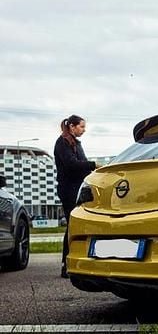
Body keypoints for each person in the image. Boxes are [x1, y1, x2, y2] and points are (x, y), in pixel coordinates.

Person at [54, 114, 96, 277]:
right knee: (72, 225)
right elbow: (72, 165)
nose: (84, 130)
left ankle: (75, 262)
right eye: (81, 127)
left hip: (77, 188)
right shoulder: (62, 142)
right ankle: (66, 264)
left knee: (76, 225)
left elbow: (82, 165)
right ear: (72, 126)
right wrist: (93, 165)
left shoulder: (75, 143)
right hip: (68, 189)